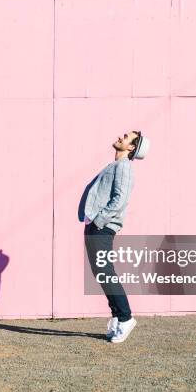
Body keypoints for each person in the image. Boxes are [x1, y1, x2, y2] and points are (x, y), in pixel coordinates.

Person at [79, 130, 150, 343]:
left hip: (102, 226)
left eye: (127, 137)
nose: (121, 136)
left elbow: (120, 199)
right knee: (101, 273)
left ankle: (126, 317)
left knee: (105, 271)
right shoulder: (116, 166)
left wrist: (99, 220)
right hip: (95, 225)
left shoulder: (124, 167)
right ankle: (118, 317)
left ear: (131, 148)